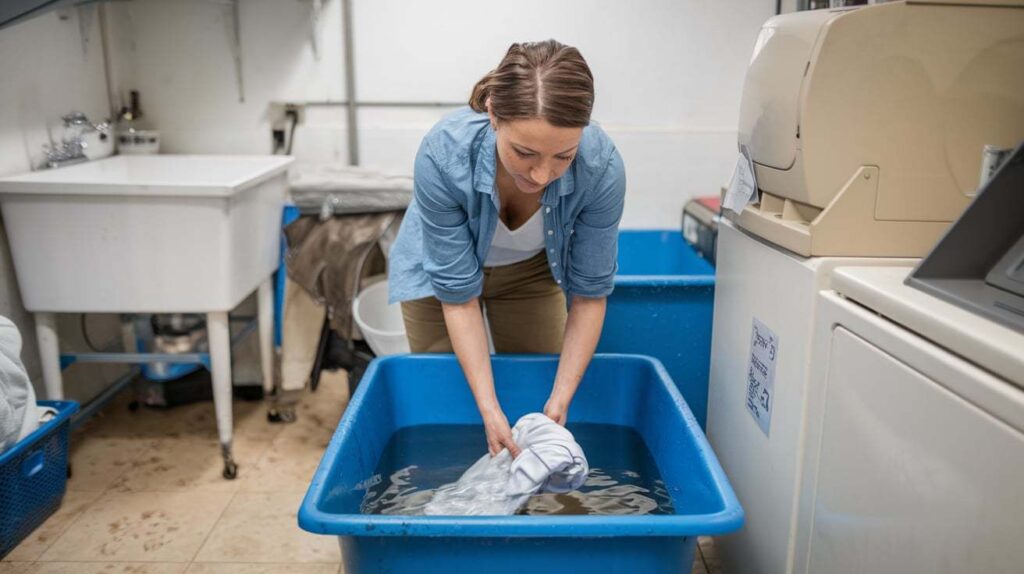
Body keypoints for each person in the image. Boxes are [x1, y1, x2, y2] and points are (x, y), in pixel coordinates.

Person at [388, 39, 626, 459]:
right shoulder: (444, 154)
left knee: (536, 401)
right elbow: (459, 298)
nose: (541, 174)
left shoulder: (601, 167)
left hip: (530, 274)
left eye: (563, 157)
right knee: (454, 409)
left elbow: (590, 294)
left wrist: (560, 401)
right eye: (524, 152)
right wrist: (487, 406)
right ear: (494, 114)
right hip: (438, 281)